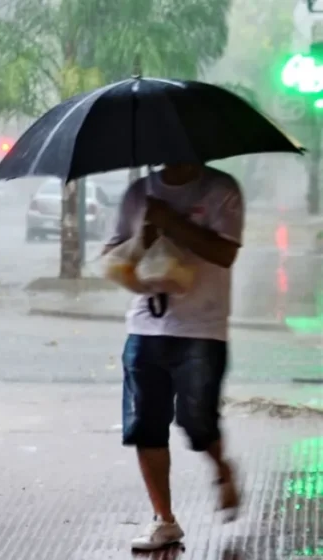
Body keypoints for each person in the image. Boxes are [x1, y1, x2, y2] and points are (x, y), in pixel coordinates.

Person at [103, 163, 244, 551]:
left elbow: (225, 252)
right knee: (145, 425)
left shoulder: (221, 189)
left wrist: (172, 222)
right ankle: (164, 519)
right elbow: (112, 255)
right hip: (145, 325)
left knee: (197, 422)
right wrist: (143, 236)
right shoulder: (138, 193)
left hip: (202, 328)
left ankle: (221, 467)